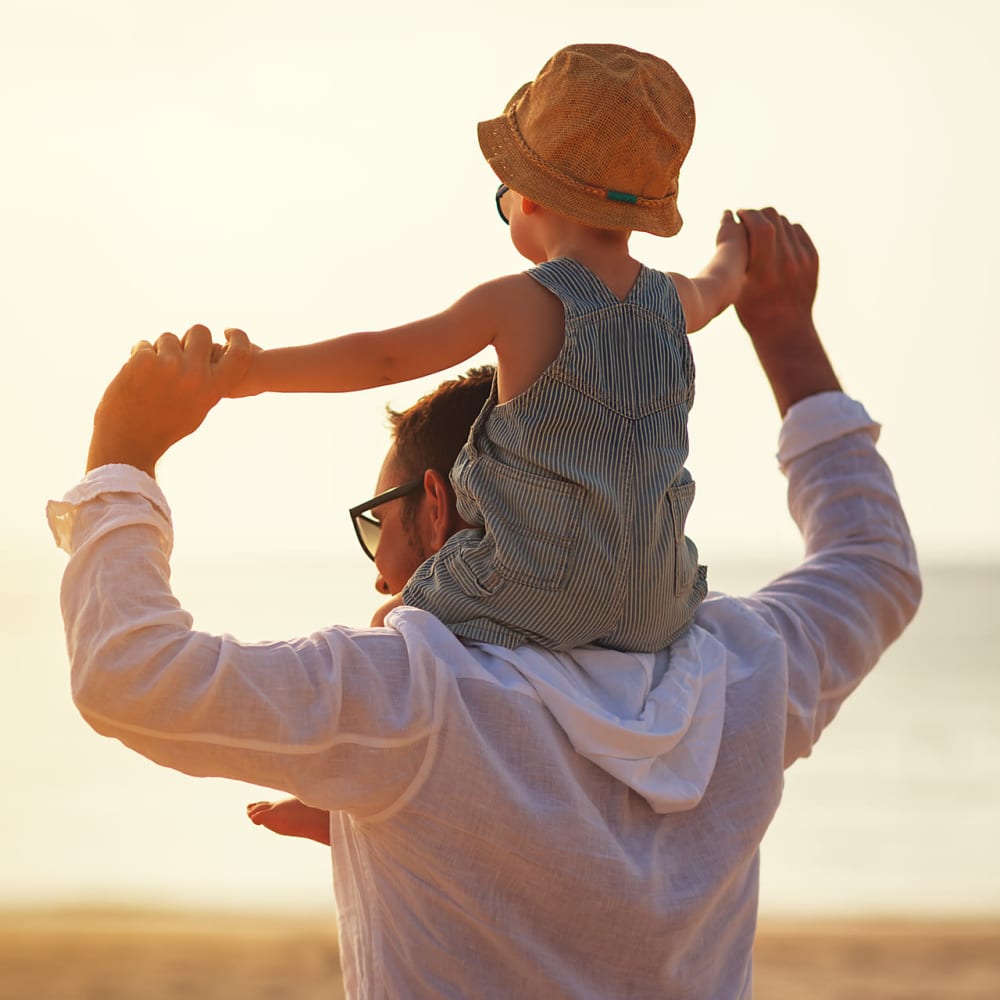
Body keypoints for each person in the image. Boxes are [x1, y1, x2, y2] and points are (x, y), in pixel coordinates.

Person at [48, 210, 921, 999]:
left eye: (376, 523)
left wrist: (122, 460)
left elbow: (129, 677)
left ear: (437, 504)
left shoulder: (413, 701)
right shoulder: (741, 670)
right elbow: (873, 563)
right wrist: (784, 333)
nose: (383, 575)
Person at [225, 43, 748, 653]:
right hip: (658, 603)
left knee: (394, 619)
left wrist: (254, 371)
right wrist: (736, 247)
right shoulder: (673, 300)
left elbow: (385, 357)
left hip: (539, 587)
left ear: (528, 197)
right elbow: (719, 285)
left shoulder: (521, 302)